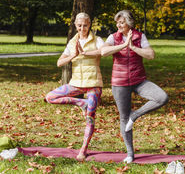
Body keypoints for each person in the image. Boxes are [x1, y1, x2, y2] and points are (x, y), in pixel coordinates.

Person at [101, 10, 168, 164]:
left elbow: (151, 55)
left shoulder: (140, 36)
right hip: (119, 83)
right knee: (123, 118)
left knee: (162, 97)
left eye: (122, 22)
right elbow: (103, 51)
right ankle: (130, 154)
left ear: (129, 23)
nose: (118, 25)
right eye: (117, 22)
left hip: (139, 80)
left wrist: (132, 47)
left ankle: (135, 115)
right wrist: (124, 45)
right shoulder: (113, 37)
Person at [45, 12, 105, 161]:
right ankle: (81, 103)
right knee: (50, 97)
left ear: (89, 25)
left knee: (90, 116)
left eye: (85, 25)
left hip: (93, 84)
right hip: (76, 83)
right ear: (75, 25)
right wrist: (74, 54)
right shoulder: (72, 43)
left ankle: (83, 150)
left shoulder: (97, 40)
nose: (82, 28)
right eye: (79, 25)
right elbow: (59, 62)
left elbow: (104, 51)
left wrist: (86, 53)